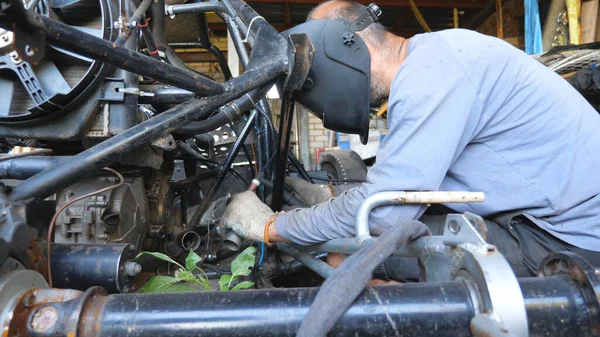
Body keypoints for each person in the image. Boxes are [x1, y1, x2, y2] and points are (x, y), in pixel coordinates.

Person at [219, 0, 600, 278]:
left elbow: (385, 215)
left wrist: (271, 227)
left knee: (350, 256)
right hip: (545, 217)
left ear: (348, 47)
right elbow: (410, 184)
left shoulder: (432, 75)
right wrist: (331, 200)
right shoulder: (437, 57)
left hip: (567, 241)